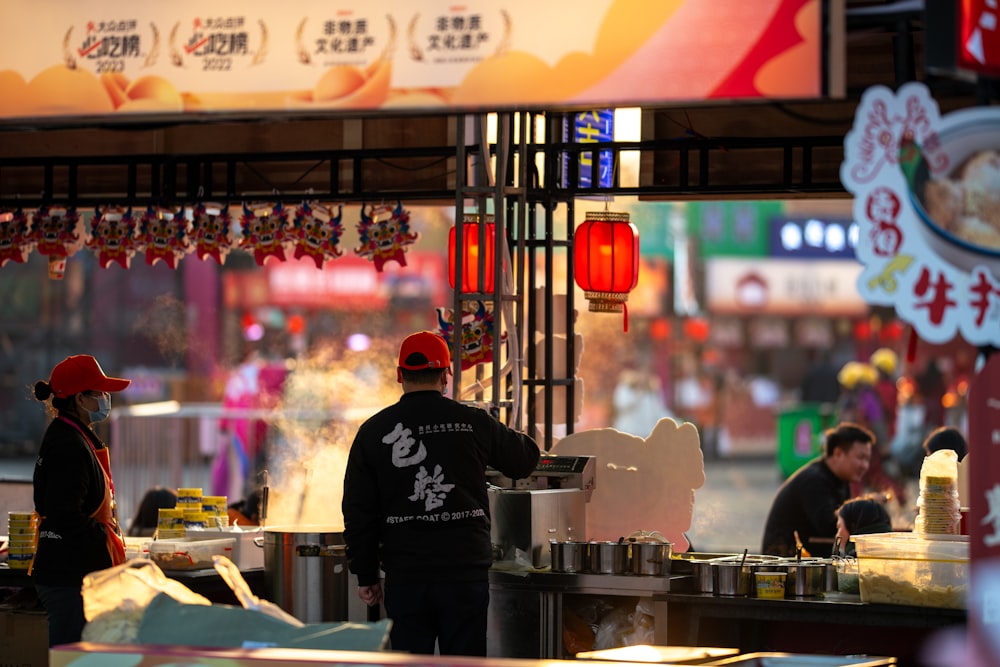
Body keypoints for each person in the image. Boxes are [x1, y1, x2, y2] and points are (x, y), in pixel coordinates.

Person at [342, 331, 540, 656]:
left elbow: (358, 510)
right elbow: (525, 460)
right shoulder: (472, 422)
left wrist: (365, 573)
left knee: (410, 662)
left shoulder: (374, 431)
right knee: (463, 663)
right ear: (447, 375)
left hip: (407, 577)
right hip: (464, 573)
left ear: (399, 375)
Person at [29, 354, 131, 646]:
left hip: (76, 572)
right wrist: (104, 539)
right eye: (98, 392)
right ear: (78, 399)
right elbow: (65, 515)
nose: (105, 397)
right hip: (67, 576)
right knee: (73, 658)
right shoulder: (66, 445)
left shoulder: (76, 436)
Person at [761, 422, 874, 558]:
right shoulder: (814, 481)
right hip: (783, 565)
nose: (865, 466)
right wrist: (866, 506)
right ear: (838, 453)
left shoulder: (843, 480)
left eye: (867, 459)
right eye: (860, 458)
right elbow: (830, 527)